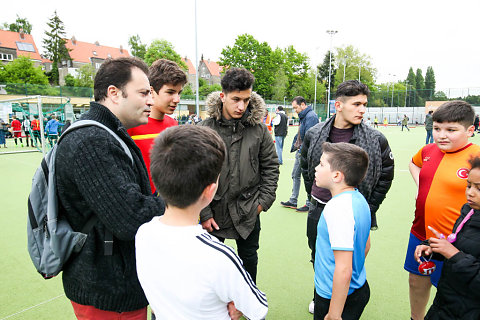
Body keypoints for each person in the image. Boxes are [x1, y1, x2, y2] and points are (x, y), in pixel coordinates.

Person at [55, 57, 165, 320]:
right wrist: (177, 198)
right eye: (143, 93)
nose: (151, 101)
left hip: (113, 285)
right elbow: (130, 218)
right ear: (114, 93)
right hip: (107, 292)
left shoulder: (106, 133)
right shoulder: (92, 141)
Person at [136, 125, 268, 320]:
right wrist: (237, 306)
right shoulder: (220, 256)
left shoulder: (143, 234)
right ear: (210, 190)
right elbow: (257, 308)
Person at [300, 80, 394, 314]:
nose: (362, 109)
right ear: (338, 105)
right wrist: (315, 195)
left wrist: (370, 207)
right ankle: (321, 296)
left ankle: (345, 298)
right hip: (320, 207)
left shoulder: (375, 139)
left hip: (354, 207)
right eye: (357, 104)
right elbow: (306, 166)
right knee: (319, 255)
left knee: (349, 258)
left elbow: (386, 175)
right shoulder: (314, 133)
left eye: (364, 104)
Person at [198, 67, 279, 283]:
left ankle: (249, 304)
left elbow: (271, 167)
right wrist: (204, 213)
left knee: (249, 261)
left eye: (246, 99)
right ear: (222, 96)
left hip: (249, 209)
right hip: (214, 211)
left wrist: (262, 203)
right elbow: (195, 173)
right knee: (211, 265)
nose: (241, 106)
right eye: (236, 99)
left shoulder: (259, 130)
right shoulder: (204, 129)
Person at [405, 100, 480, 320]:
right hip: (421, 233)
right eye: (437, 129)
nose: (441, 135)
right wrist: (422, 187)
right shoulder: (428, 150)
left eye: (451, 130)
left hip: (455, 241)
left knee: (450, 289)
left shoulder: (476, 157)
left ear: (470, 130)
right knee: (416, 280)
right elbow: (414, 163)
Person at [415, 155, 480, 319]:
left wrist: (453, 254)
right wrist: (434, 248)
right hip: (446, 302)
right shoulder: (469, 211)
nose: (470, 193)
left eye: (479, 188)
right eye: (468, 185)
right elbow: (462, 245)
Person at [313, 142, 371, 320]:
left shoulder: (338, 208)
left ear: (337, 175)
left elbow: (344, 269)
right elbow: (366, 245)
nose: (316, 168)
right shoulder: (358, 198)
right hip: (357, 288)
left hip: (335, 296)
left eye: (322, 164)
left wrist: (335, 314)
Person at [128, 59, 187, 193]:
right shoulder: (131, 127)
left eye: (179, 93)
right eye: (170, 92)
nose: (177, 99)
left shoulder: (174, 126)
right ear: (152, 91)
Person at [281, 96, 318, 212]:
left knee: (308, 177)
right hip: (301, 151)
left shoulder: (311, 117)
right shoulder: (304, 116)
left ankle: (309, 203)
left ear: (303, 105)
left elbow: (310, 137)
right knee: (295, 174)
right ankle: (293, 200)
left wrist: (303, 151)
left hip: (306, 153)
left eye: (295, 108)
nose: (294, 110)